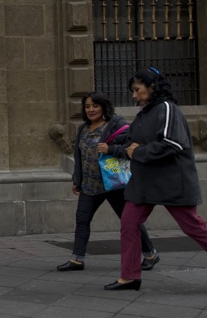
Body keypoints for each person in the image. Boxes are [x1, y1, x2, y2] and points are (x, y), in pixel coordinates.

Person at [105, 67, 207, 293]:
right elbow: (130, 144)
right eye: (132, 91)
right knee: (129, 222)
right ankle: (130, 276)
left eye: (137, 90)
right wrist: (115, 148)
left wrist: (138, 152)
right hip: (144, 181)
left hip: (173, 180)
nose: (134, 96)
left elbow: (173, 144)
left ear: (152, 87)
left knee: (194, 227)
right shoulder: (144, 113)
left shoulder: (166, 108)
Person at [58, 92, 159, 272]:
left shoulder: (115, 125)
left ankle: (150, 254)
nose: (91, 110)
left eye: (95, 106)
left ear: (103, 107)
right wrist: (77, 180)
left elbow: (133, 146)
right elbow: (79, 156)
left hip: (113, 184)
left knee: (130, 221)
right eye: (87, 106)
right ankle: (77, 259)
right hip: (90, 185)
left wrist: (110, 148)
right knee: (82, 220)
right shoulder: (83, 128)